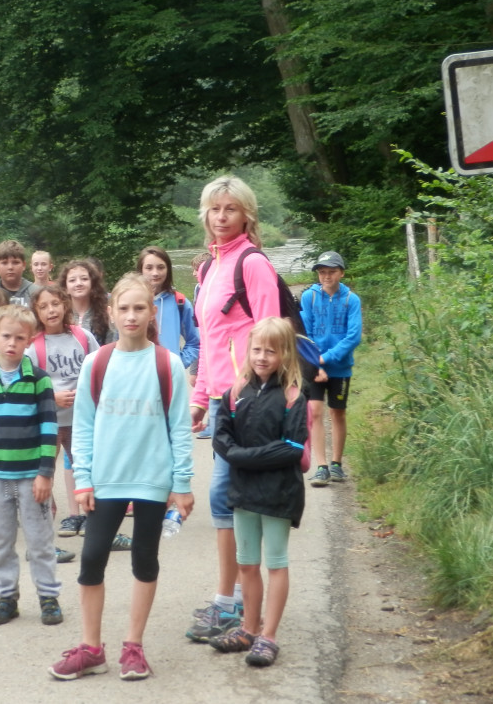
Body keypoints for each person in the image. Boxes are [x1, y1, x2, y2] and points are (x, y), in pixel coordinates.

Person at [48, 274, 194, 682]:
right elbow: (83, 426)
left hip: (152, 479)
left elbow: (180, 428)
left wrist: (182, 484)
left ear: (152, 314)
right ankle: (91, 648)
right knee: (91, 558)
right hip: (106, 481)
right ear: (110, 313)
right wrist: (83, 479)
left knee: (144, 559)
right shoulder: (97, 363)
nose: (131, 316)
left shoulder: (167, 364)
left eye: (139, 308)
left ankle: (134, 646)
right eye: (124, 308)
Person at [186, 176, 280, 644]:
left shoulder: (252, 263)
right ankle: (237, 600)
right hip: (224, 403)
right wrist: (201, 398)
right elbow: (210, 341)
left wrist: (257, 397)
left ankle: (232, 604)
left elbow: (273, 337)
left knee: (228, 499)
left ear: (246, 215)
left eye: (230, 209)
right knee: (230, 501)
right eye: (214, 208)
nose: (221, 217)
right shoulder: (209, 268)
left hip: (250, 402)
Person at [207, 317, 307, 668]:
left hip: (279, 493)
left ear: (285, 354)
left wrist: (243, 458)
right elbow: (221, 435)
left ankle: (269, 635)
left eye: (271, 351)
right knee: (246, 563)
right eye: (257, 349)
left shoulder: (293, 395)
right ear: (247, 351)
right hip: (243, 492)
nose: (262, 357)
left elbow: (292, 447)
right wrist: (236, 455)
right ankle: (248, 628)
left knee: (276, 562)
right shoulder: (236, 392)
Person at [0, 304, 62, 626]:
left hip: (31, 478)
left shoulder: (39, 380)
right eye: (6, 336)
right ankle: (7, 596)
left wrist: (45, 473)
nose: (12, 343)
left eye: (19, 338)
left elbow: (49, 428)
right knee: (0, 540)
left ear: (30, 341)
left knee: (39, 541)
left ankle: (48, 596)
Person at [27, 285, 99, 542]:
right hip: (51, 422)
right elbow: (27, 388)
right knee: (43, 471)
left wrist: (88, 392)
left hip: (81, 421)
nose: (51, 310)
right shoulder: (33, 346)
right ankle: (45, 527)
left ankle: (93, 520)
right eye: (43, 306)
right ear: (36, 312)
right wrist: (52, 397)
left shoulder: (83, 337)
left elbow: (99, 368)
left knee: (87, 468)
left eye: (55, 304)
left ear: (65, 304)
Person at [300, 251, 362, 487]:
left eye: (332, 272)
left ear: (341, 273)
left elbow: (353, 337)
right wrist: (316, 363)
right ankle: (321, 467)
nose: (326, 276)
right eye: (322, 272)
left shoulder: (351, 300)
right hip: (313, 366)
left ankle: (337, 464)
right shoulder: (309, 297)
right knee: (315, 412)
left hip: (340, 367)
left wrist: (326, 359)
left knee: (337, 412)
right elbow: (305, 334)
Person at [137, 246, 200, 373]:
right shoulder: (131, 302)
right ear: (141, 270)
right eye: (149, 268)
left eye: (161, 267)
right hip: (137, 374)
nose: (155, 273)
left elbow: (195, 342)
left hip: (169, 377)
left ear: (168, 270)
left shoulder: (180, 302)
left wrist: (179, 363)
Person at [58, 259, 111, 345]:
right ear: (65, 288)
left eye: (84, 279)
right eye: (72, 280)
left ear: (92, 284)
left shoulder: (106, 314)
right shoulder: (59, 316)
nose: (79, 283)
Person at [0, 240, 40, 306]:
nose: (10, 267)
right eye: (4, 263)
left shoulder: (37, 292)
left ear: (24, 265)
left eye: (15, 262)